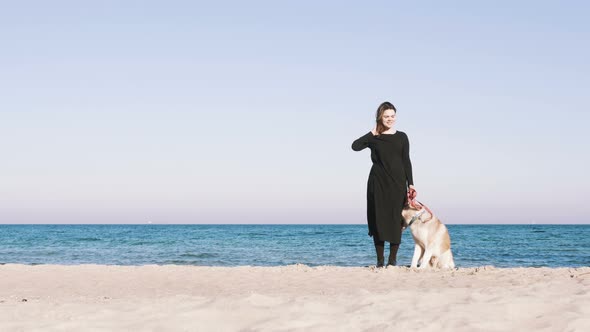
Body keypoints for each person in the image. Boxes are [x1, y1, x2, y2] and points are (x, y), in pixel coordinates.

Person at [351, 101, 416, 268]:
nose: (390, 119)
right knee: (377, 219)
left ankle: (392, 260)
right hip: (377, 183)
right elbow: (355, 146)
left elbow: (406, 160)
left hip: (397, 183)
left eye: (392, 116)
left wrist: (411, 184)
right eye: (386, 116)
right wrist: (372, 132)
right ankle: (380, 261)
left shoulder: (402, 136)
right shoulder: (374, 137)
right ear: (380, 117)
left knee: (396, 220)